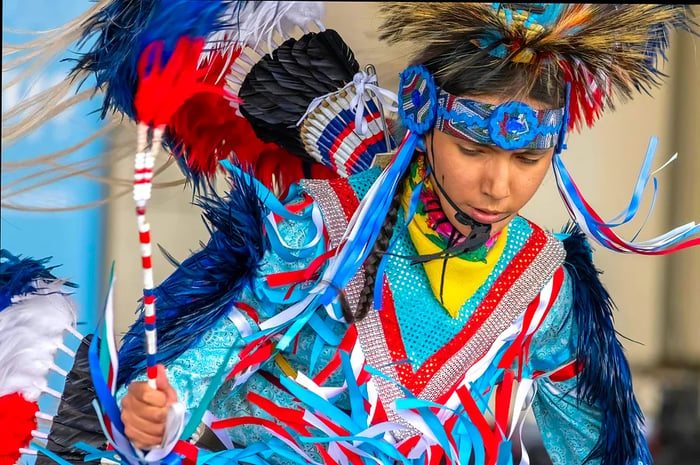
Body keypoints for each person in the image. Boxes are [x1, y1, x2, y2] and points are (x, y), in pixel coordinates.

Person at [3, 3, 699, 465]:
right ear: (424, 121)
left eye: (527, 159)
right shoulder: (329, 222)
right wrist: (164, 403)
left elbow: (599, 446)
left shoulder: (545, 283)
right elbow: (223, 343)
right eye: (474, 149)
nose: (499, 185)